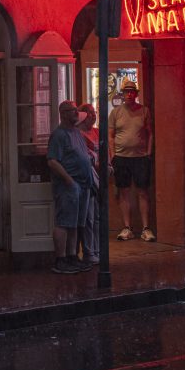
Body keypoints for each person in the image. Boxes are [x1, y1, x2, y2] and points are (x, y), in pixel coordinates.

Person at [47, 100, 94, 274]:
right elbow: (52, 161)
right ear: (64, 114)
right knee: (64, 222)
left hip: (82, 184)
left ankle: (72, 256)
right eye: (73, 111)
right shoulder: (59, 135)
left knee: (75, 223)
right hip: (69, 186)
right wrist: (69, 181)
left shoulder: (75, 132)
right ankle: (60, 259)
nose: (76, 114)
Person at [108, 79, 155, 242]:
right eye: (126, 91)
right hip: (121, 158)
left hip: (140, 157)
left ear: (136, 94)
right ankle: (127, 227)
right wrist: (113, 155)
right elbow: (110, 136)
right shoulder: (116, 113)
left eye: (132, 91)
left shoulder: (144, 111)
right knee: (124, 192)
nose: (129, 94)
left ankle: (146, 228)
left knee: (143, 191)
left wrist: (148, 152)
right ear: (122, 94)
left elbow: (150, 133)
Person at [77, 103, 102, 266]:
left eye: (95, 113)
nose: (93, 116)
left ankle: (97, 248)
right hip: (88, 179)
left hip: (100, 178)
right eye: (90, 113)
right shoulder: (78, 134)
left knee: (97, 217)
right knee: (89, 217)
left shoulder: (97, 132)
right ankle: (88, 251)